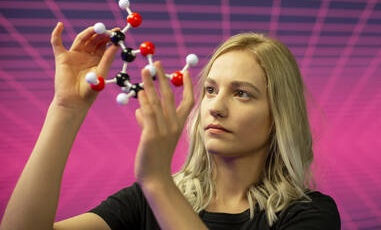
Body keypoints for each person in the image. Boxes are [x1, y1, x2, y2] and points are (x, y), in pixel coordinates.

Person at [0, 22, 340, 230]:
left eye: (242, 94)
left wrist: (157, 180)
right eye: (210, 89)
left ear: (278, 116)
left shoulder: (309, 215)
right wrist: (65, 108)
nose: (216, 107)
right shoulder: (145, 201)